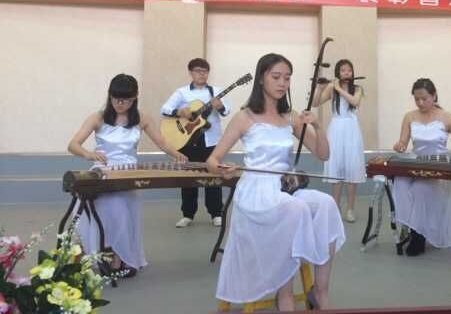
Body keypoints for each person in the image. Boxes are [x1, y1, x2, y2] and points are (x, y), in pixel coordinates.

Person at [207, 53, 345, 311]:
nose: (283, 83)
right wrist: (223, 169)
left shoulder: (290, 116)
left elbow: (323, 154)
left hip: (285, 186)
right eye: (276, 77)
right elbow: (212, 160)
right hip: (256, 191)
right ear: (261, 79)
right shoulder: (245, 117)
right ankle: (285, 295)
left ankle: (320, 290)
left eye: (287, 78)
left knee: (326, 204)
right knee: (295, 209)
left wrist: (318, 126)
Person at [68, 73, 187, 277]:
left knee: (121, 211)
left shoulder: (142, 118)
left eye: (126, 100)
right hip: (103, 172)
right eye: (116, 99)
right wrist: (89, 154)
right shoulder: (98, 117)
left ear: (134, 98)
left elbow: (162, 142)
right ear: (110, 96)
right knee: (99, 208)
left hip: (129, 174)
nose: (120, 104)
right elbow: (73, 144)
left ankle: (121, 257)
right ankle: (102, 253)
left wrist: (178, 155)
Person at [392, 78, 451, 256]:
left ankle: (418, 237)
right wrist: (399, 145)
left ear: (434, 95)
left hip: (438, 167)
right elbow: (403, 142)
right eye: (416, 99)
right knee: (400, 183)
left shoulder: (447, 117)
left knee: (420, 189)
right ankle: (411, 226)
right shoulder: (409, 116)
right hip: (415, 164)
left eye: (424, 98)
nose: (420, 103)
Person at [161, 58, 231, 228]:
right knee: (188, 178)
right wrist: (180, 112)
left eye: (205, 71)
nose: (202, 74)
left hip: (211, 140)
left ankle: (216, 213)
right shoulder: (182, 92)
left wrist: (220, 106)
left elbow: (227, 111)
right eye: (198, 71)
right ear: (191, 73)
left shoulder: (216, 91)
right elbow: (164, 109)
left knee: (213, 177)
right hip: (188, 140)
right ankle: (188, 214)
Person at [311, 59, 365, 222]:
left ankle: (350, 208)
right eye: (343, 70)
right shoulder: (331, 88)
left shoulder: (358, 88)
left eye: (349, 70)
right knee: (336, 167)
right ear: (337, 72)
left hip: (351, 129)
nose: (346, 73)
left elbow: (354, 101)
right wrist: (319, 88)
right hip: (335, 129)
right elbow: (315, 103)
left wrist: (338, 88)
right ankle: (335, 207)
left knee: (352, 167)